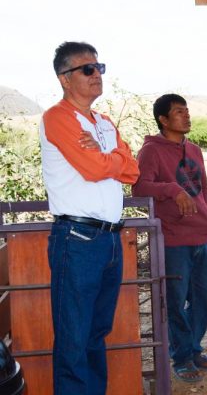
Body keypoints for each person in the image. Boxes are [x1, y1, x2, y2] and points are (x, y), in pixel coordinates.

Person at [40, 41, 140, 394]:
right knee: (74, 338)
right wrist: (111, 160)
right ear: (65, 78)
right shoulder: (57, 118)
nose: (96, 74)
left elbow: (133, 171)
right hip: (78, 239)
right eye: (87, 69)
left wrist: (108, 159)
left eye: (99, 67)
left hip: (110, 239)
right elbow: (94, 168)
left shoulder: (104, 122)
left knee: (96, 334)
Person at [132, 94, 207, 383]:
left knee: (204, 297)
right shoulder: (150, 151)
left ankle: (193, 349)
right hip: (172, 239)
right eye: (179, 112)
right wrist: (172, 189)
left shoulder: (194, 149)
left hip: (200, 235)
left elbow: (202, 188)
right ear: (163, 119)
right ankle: (181, 357)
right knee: (175, 301)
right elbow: (139, 189)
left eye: (187, 111)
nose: (186, 116)